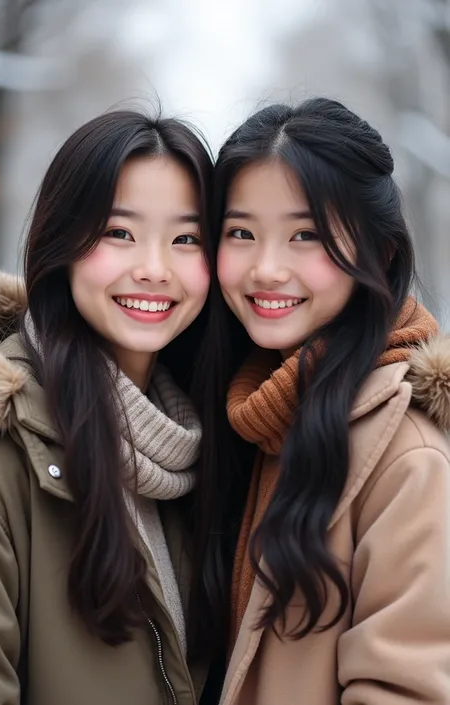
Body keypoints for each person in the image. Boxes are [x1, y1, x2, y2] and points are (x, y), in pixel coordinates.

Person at [191, 98, 450, 704]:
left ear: (379, 253)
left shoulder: (405, 456)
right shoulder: (250, 413)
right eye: (241, 233)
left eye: (305, 234)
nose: (267, 268)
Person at [0, 110, 215, 704]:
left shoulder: (200, 452)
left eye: (186, 239)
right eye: (119, 233)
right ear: (62, 244)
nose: (155, 270)